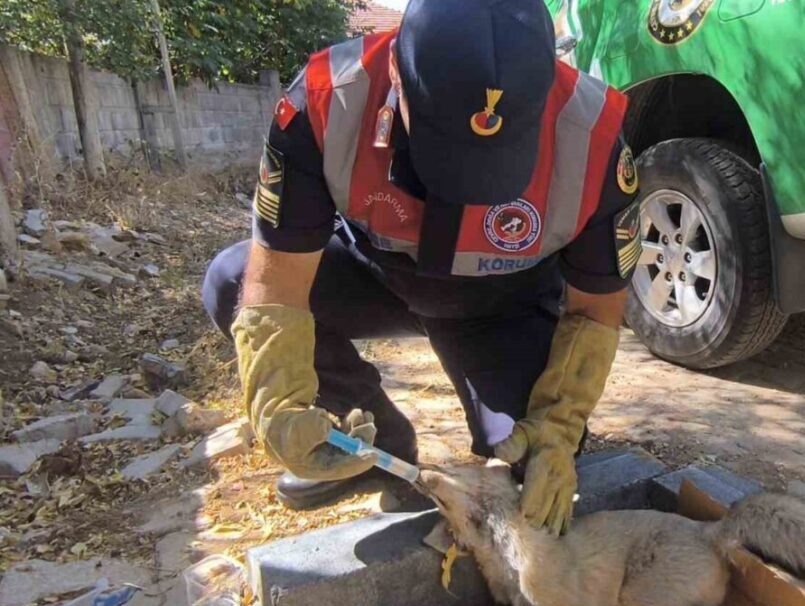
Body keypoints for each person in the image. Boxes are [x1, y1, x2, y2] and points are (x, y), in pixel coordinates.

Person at [201, 0, 641, 535]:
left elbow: (596, 310)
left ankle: (526, 423)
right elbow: (278, 287)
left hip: (504, 302)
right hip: (376, 276)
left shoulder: (592, 137)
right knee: (232, 282)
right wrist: (278, 403)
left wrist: (561, 423)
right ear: (397, 75)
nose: (466, 181)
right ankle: (371, 446)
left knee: (535, 459)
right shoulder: (325, 102)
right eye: (445, 144)